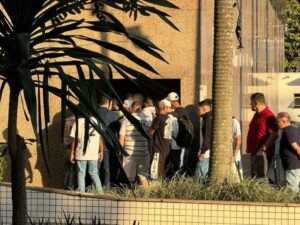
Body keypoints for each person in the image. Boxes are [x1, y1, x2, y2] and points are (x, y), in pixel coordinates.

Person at [246, 93, 278, 179]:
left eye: (251, 102)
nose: (250, 104)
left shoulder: (269, 116)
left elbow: (274, 134)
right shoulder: (256, 114)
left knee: (261, 179)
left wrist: (264, 148)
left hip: (262, 154)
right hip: (255, 152)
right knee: (255, 179)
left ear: (256, 103)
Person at [119, 101, 151, 187]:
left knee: (129, 178)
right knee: (143, 177)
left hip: (130, 154)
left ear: (131, 109)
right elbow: (150, 138)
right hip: (144, 153)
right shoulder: (147, 121)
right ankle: (146, 198)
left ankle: (129, 198)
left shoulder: (126, 120)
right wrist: (149, 151)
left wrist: (120, 152)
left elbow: (121, 138)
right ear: (140, 109)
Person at [70, 116, 104, 193]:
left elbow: (74, 139)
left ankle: (81, 193)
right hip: (93, 153)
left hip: (81, 152)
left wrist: (72, 152)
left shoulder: (78, 121)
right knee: (94, 173)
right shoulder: (97, 121)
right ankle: (100, 192)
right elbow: (99, 138)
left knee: (81, 173)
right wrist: (101, 151)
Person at [98, 95, 120, 189]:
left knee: (95, 169)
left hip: (94, 145)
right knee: (107, 169)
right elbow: (118, 130)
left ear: (99, 103)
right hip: (108, 144)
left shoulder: (93, 113)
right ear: (110, 103)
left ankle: (95, 188)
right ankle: (106, 188)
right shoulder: (113, 115)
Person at [166, 92, 190, 173]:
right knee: (182, 164)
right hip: (185, 141)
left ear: (171, 102)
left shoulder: (174, 113)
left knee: (177, 165)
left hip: (177, 143)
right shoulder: (185, 110)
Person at [149, 99, 173, 179]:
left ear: (156, 108)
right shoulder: (169, 118)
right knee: (162, 169)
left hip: (158, 147)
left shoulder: (158, 118)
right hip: (167, 146)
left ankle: (158, 187)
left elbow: (150, 132)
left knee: (156, 170)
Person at [277, 112, 300, 192]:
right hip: (295, 165)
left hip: (293, 165)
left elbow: (297, 148)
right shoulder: (295, 129)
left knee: (292, 190)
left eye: (278, 122)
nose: (277, 124)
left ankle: (295, 204)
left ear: (283, 121)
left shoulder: (288, 131)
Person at [194, 99, 212, 179]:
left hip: (206, 154)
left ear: (204, 108)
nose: (197, 112)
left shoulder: (208, 117)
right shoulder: (207, 117)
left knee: (199, 178)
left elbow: (207, 135)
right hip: (207, 152)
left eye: (199, 109)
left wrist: (203, 152)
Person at [63, 114, 77, 189]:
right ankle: (70, 188)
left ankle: (65, 187)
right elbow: (74, 138)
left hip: (65, 148)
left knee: (68, 170)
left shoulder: (67, 120)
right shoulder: (77, 121)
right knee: (73, 170)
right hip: (72, 148)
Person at [231, 117, 243, 181]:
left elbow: (238, 140)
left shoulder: (234, 122)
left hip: (235, 158)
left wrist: (234, 154)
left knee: (237, 180)